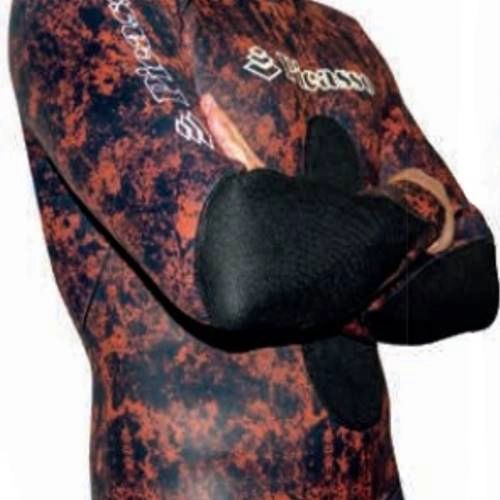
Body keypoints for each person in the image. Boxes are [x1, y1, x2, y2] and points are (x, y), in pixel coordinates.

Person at [9, 0, 498, 498]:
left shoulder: (341, 35)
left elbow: (473, 277)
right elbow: (240, 264)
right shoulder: (88, 9)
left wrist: (301, 235)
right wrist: (420, 201)